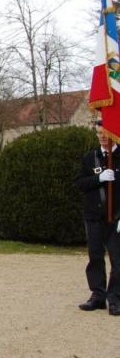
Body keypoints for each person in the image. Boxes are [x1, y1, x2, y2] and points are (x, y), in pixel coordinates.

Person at [75, 120, 120, 316]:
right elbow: (80, 183)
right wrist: (99, 178)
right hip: (93, 216)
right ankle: (98, 295)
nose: (102, 136)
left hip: (117, 218)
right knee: (95, 256)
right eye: (99, 133)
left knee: (118, 260)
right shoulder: (90, 157)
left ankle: (115, 297)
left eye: (106, 133)